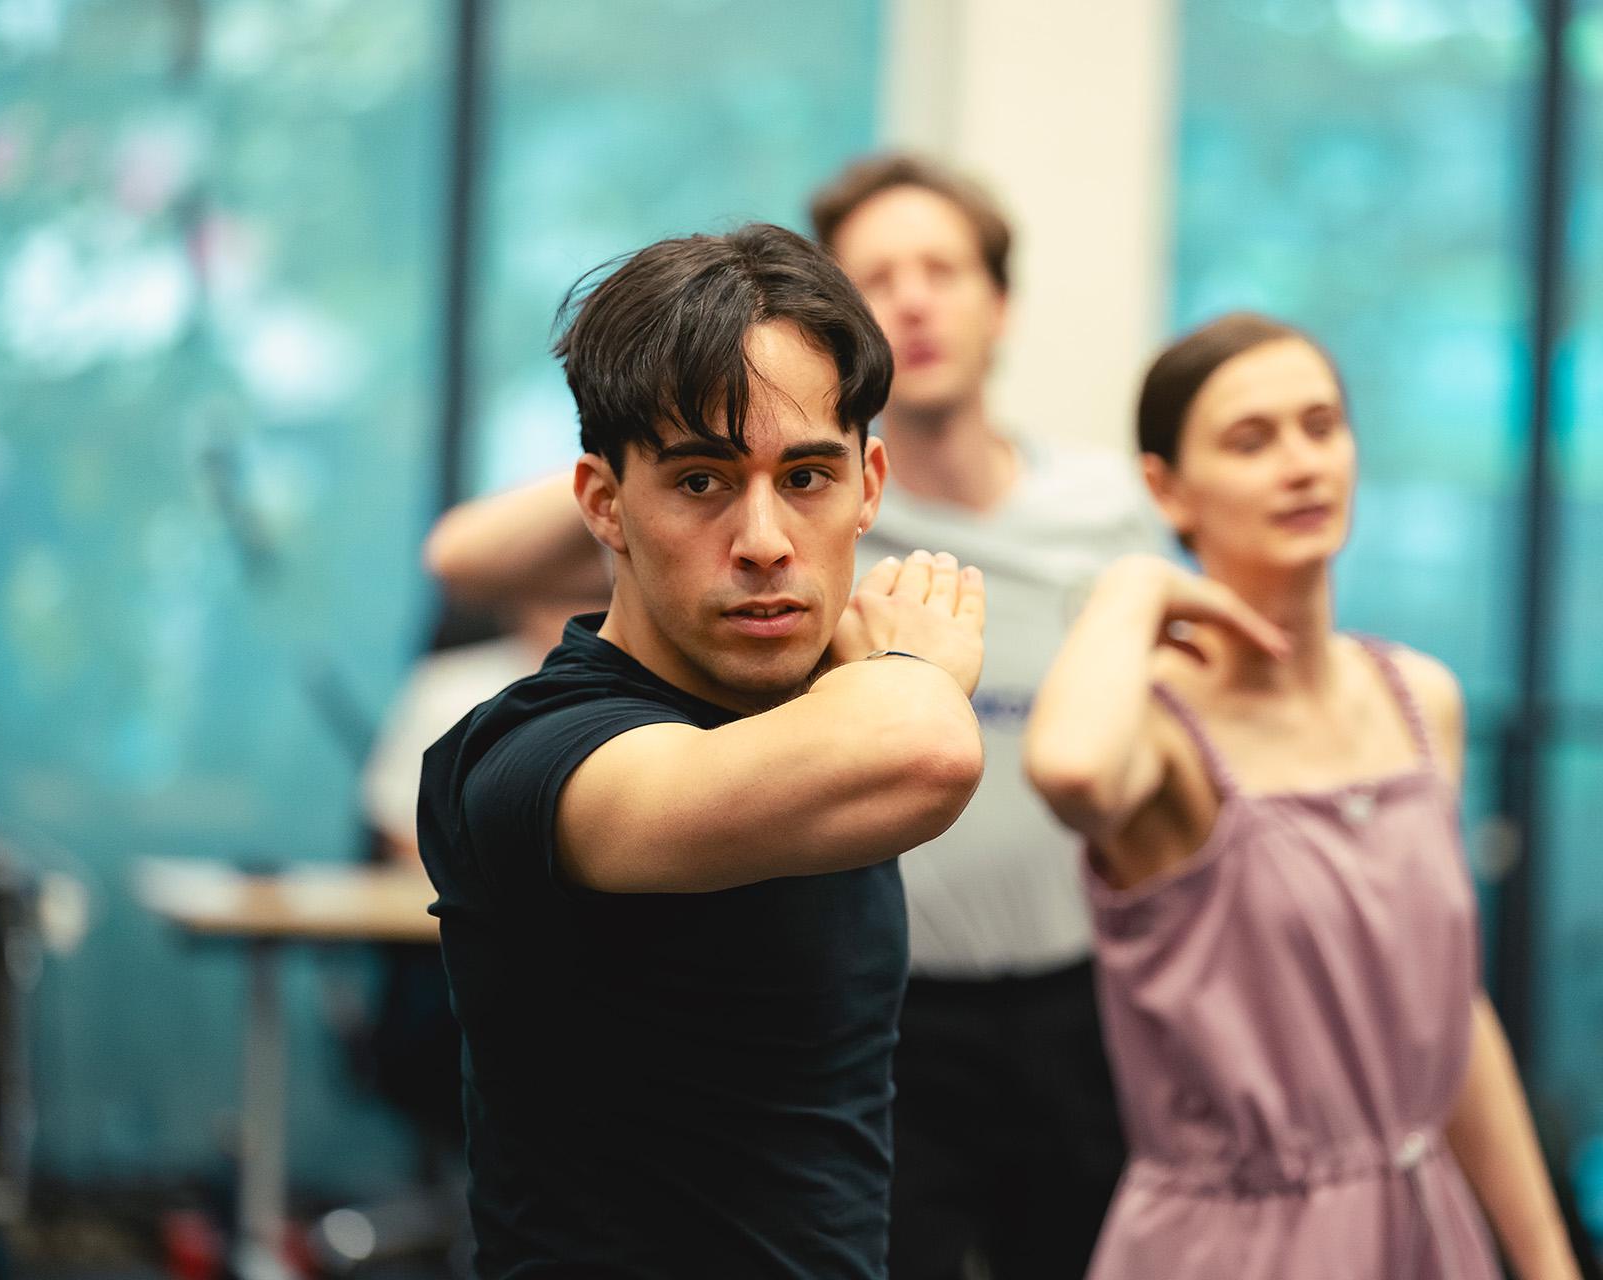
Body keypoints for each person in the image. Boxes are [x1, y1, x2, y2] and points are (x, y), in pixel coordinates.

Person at [424, 154, 1145, 1279]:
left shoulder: (840, 701)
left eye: (805, 477)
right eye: (703, 480)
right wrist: (911, 658)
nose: (764, 537)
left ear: (870, 485)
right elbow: (921, 752)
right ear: (604, 503)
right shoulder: (530, 754)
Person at [1023, 312, 1581, 1278]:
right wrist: (1133, 589)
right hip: (1235, 1247)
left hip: (1424, 1229)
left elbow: (1452, 1014)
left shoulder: (1420, 700)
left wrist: (1544, 1259)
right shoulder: (1159, 736)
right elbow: (1070, 772)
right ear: (1166, 488)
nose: (1301, 463)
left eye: (1321, 426)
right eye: (1252, 440)